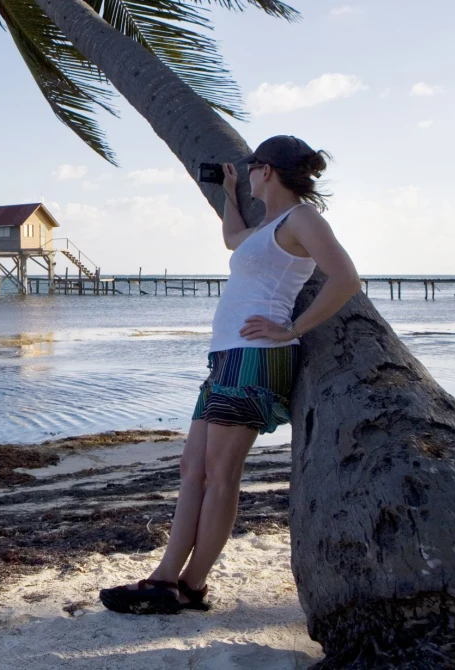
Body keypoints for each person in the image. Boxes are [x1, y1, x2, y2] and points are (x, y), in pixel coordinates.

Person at [99, 135, 362, 614]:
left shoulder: (302, 217)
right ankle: (167, 578)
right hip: (226, 355)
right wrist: (227, 190)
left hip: (255, 355)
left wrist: (292, 329)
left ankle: (190, 585)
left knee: (221, 473)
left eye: (251, 169)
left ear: (267, 170)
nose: (249, 176)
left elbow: (346, 278)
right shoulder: (268, 226)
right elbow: (232, 239)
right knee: (191, 469)